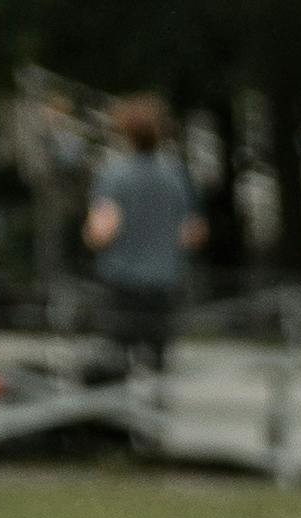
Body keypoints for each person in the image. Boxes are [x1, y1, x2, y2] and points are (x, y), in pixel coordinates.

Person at [81, 95, 191, 374]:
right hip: (164, 282)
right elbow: (191, 232)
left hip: (123, 283)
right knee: (158, 361)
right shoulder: (175, 175)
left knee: (117, 361)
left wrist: (88, 236)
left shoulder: (114, 176)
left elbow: (102, 232)